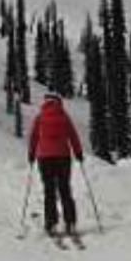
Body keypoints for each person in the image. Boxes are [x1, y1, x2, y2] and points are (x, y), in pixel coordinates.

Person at [27, 92, 84, 236]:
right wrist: (78, 153)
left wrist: (31, 154)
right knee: (65, 189)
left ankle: (51, 224)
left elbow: (33, 137)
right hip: (63, 157)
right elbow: (73, 136)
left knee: (49, 191)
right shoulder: (64, 117)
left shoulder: (40, 117)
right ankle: (70, 223)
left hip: (45, 158)